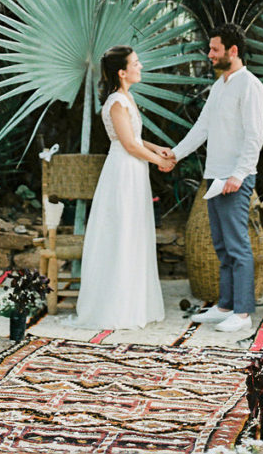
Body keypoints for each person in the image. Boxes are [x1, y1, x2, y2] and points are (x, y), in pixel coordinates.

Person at [164, 23, 263, 335]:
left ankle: (243, 312)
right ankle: (224, 306)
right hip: (214, 176)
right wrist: (175, 155)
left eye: (214, 49)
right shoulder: (220, 85)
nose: (209, 55)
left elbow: (254, 136)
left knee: (237, 247)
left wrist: (238, 174)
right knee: (221, 245)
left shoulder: (250, 85)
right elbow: (202, 127)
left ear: (233, 51)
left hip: (236, 179)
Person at [74, 45, 171, 328]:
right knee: (123, 232)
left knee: (135, 231)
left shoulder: (126, 97)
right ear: (122, 72)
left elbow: (136, 138)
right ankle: (117, 306)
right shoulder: (116, 101)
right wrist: (158, 162)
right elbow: (128, 144)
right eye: (136, 63)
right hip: (123, 171)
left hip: (134, 167)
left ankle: (135, 302)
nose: (140, 67)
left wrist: (159, 149)